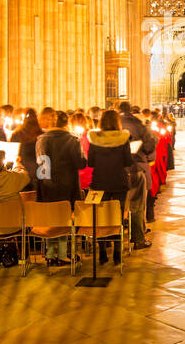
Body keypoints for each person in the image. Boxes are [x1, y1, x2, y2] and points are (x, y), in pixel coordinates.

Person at [34, 111, 83, 265]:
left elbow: (41, 164)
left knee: (51, 219)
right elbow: (80, 164)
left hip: (47, 185)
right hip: (67, 186)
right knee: (64, 220)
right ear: (66, 123)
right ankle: (62, 255)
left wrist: (44, 185)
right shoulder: (72, 140)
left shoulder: (41, 140)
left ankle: (50, 253)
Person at [85, 109, 132, 264]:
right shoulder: (123, 138)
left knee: (101, 218)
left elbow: (90, 162)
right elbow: (128, 161)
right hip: (119, 182)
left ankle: (103, 253)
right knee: (117, 217)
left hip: (99, 182)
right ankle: (117, 254)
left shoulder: (95, 138)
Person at [117, 102, 153, 247]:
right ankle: (138, 237)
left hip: (112, 173)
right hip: (133, 168)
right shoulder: (136, 123)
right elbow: (150, 144)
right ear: (131, 110)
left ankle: (109, 238)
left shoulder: (101, 131)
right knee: (136, 203)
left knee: (114, 204)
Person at [12, 107, 42, 184]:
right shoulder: (41, 135)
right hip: (39, 170)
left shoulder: (16, 134)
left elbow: (13, 153)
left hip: (22, 170)